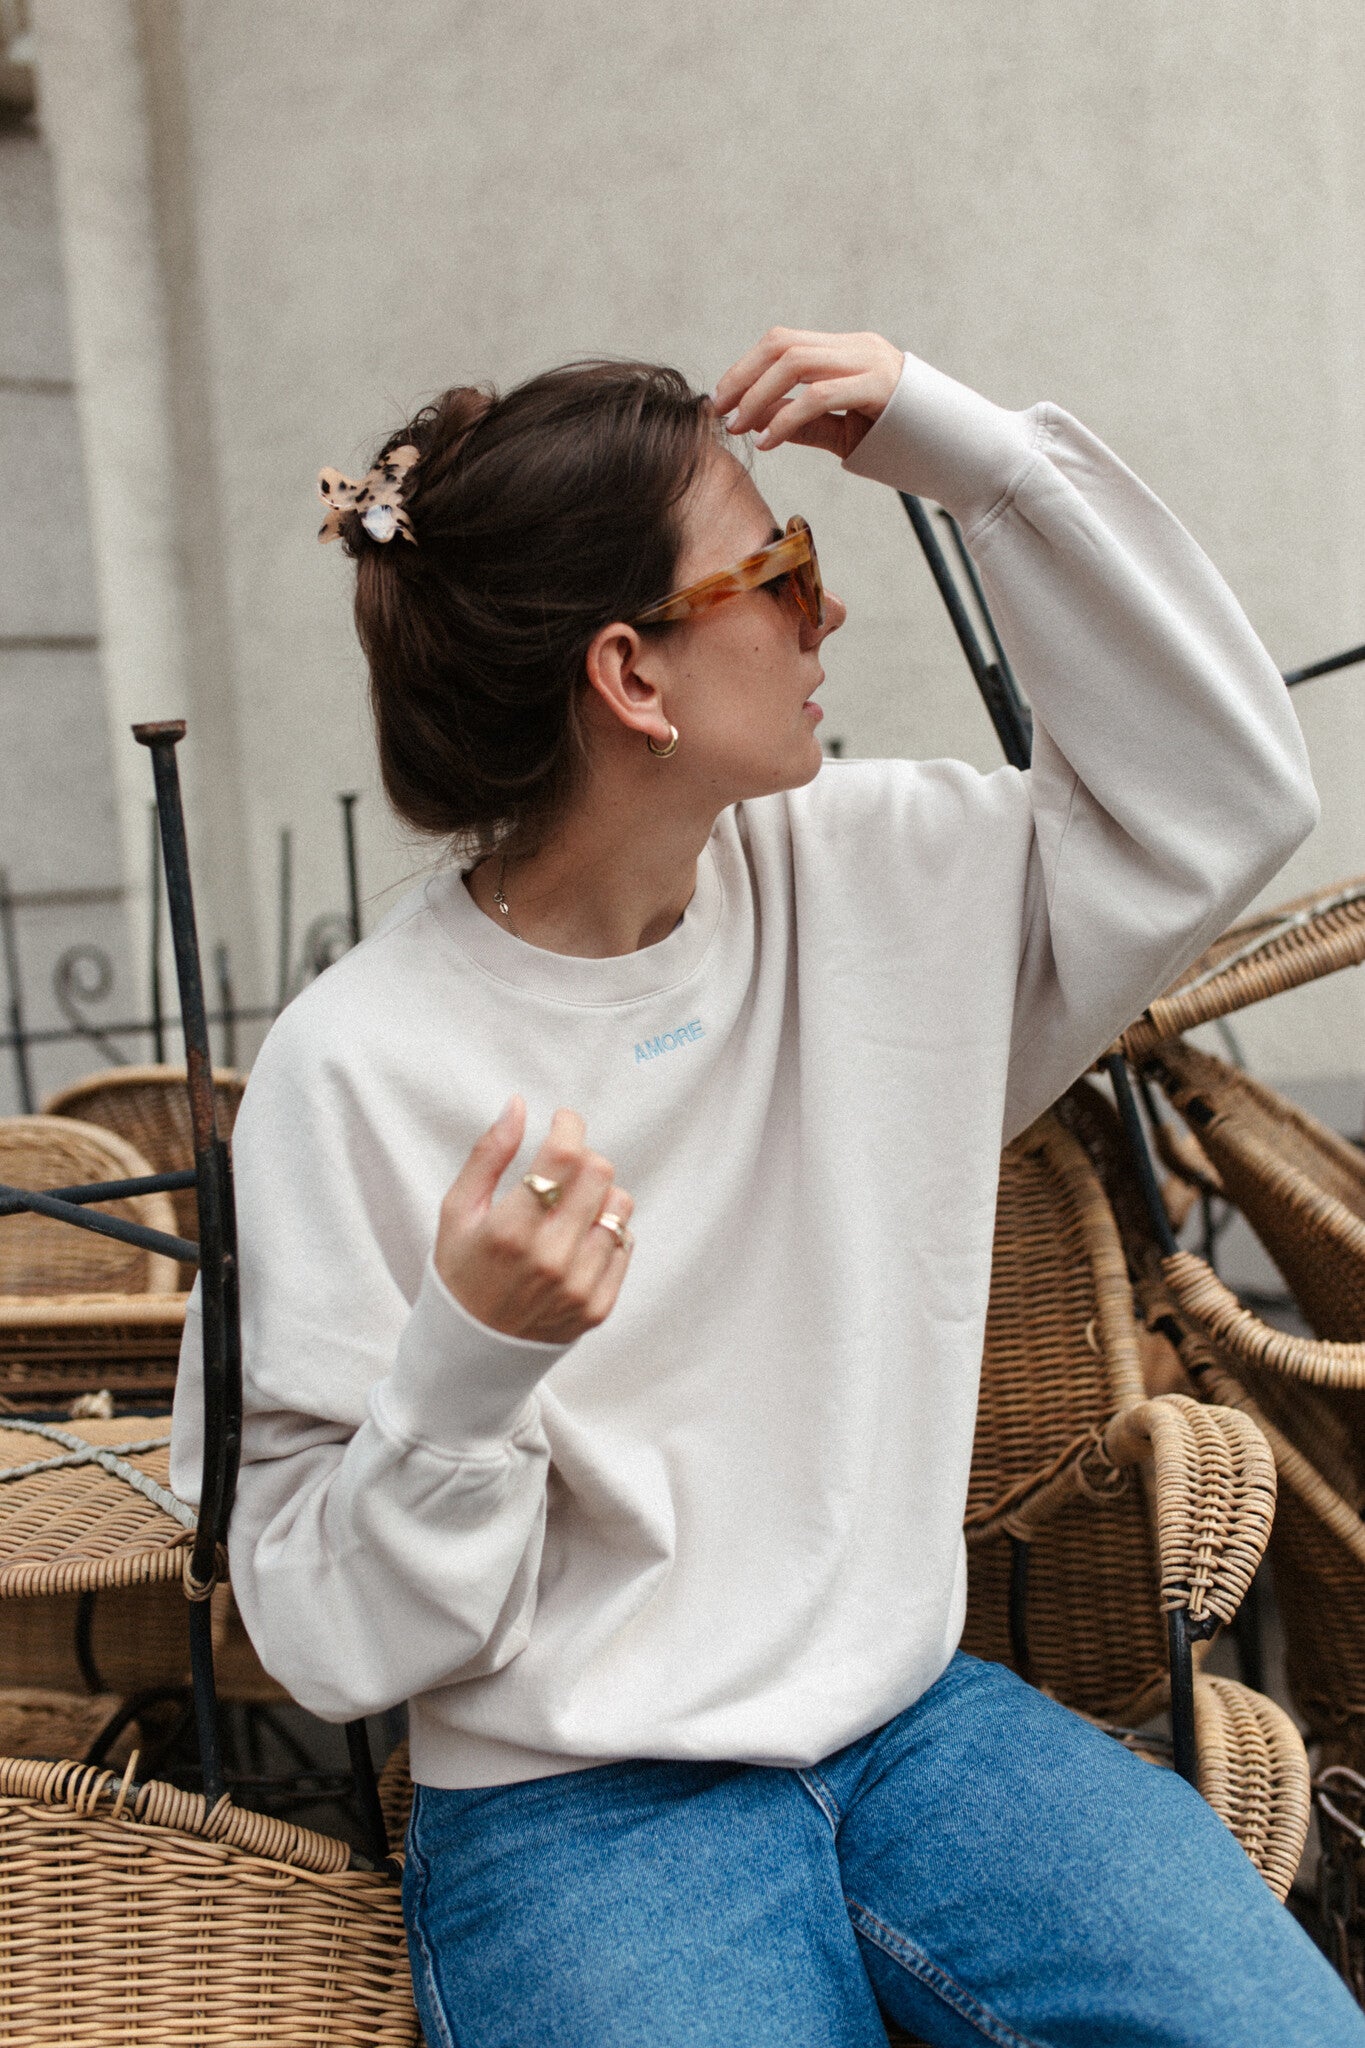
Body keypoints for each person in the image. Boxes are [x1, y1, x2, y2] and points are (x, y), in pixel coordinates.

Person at [172, 330, 1359, 2047]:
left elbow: (1226, 799)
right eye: (782, 567)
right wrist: (466, 1368)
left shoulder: (878, 880)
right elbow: (327, 1642)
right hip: (576, 1812)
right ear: (631, 682)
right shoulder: (354, 1071)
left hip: (918, 1732)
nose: (828, 615)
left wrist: (983, 467)